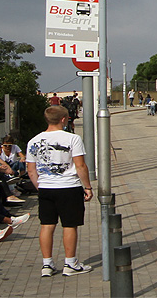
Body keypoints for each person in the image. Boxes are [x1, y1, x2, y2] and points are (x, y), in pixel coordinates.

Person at [26, 104, 93, 276]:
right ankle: (70, 263)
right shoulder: (72, 139)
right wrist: (87, 186)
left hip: (46, 187)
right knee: (70, 225)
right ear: (63, 119)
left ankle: (47, 264)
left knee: (47, 225)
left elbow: (31, 170)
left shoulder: (33, 141)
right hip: (68, 187)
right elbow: (80, 166)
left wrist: (40, 187)